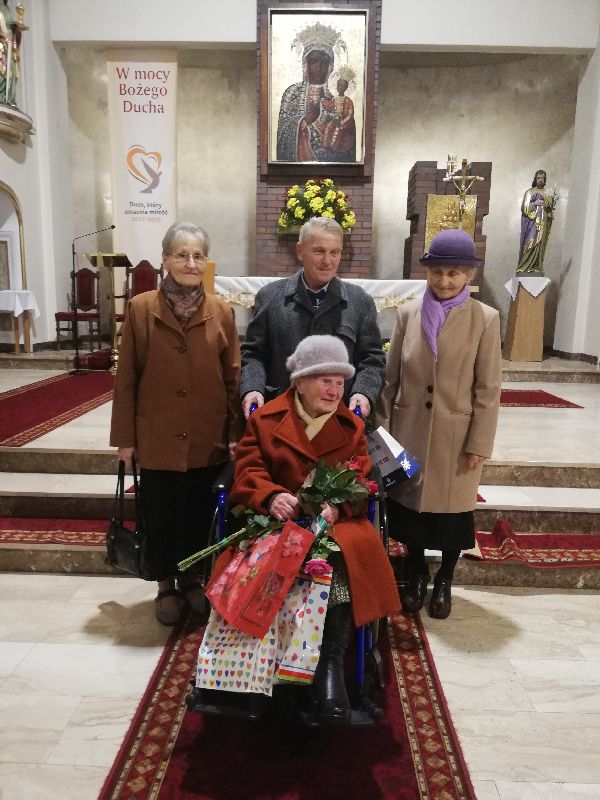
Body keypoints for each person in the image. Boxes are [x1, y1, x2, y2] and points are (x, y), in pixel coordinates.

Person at [210, 335, 399, 723]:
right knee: (264, 565)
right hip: (276, 523)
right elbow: (248, 471)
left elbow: (362, 482)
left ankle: (329, 666)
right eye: (325, 381)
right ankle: (263, 667)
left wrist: (337, 506)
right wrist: (270, 496)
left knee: (339, 562)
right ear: (300, 382)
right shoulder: (265, 420)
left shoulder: (350, 427)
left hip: (333, 526)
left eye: (340, 382)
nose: (335, 391)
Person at [110, 221, 242, 626]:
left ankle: (191, 580)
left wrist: (234, 434)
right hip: (158, 434)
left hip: (206, 433)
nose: (190, 262)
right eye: (182, 254)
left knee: (197, 512)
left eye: (198, 255)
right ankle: (165, 584)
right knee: (161, 512)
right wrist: (126, 439)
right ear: (165, 259)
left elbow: (233, 376)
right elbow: (126, 377)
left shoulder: (221, 311)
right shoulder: (141, 308)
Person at [377, 229, 501, 619]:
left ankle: (445, 578)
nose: (444, 281)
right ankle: (416, 573)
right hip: (408, 429)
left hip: (455, 436)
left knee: (452, 516)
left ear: (468, 275)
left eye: (454, 273)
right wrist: (383, 438)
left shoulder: (485, 319)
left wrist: (479, 442)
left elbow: (488, 388)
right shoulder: (407, 313)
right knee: (410, 514)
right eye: (437, 272)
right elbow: (390, 380)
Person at [241, 216, 385, 421]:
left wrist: (363, 392)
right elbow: (254, 354)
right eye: (319, 251)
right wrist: (253, 388)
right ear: (300, 251)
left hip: (339, 417)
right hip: (281, 416)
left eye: (334, 252)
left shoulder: (360, 301)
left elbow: (372, 359)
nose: (327, 261)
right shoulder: (270, 297)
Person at [277, 42, 357, 163]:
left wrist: (340, 125)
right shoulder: (292, 93)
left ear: (330, 67)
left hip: (331, 159)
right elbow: (283, 131)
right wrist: (303, 121)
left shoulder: (336, 97)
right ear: (305, 64)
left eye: (324, 62)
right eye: (314, 61)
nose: (319, 66)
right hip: (297, 164)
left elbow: (349, 127)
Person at [516, 169, 554, 274]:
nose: (540, 180)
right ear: (535, 179)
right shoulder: (529, 192)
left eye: (542, 178)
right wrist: (535, 203)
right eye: (538, 178)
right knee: (531, 242)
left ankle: (537, 267)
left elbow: (549, 209)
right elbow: (524, 208)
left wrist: (549, 213)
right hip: (532, 224)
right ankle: (524, 266)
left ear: (545, 180)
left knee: (540, 245)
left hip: (543, 224)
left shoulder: (548, 194)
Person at [320, 77, 356, 162]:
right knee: (329, 127)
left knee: (337, 129)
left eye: (343, 86)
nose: (340, 88)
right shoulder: (334, 99)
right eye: (339, 85)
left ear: (346, 88)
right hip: (335, 120)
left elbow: (350, 114)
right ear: (336, 86)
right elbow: (331, 109)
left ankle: (334, 147)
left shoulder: (348, 100)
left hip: (345, 122)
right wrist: (332, 116)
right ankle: (327, 146)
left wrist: (342, 122)